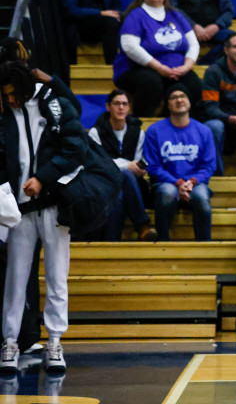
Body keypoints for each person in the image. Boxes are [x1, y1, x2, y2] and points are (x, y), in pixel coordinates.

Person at [0, 62, 83, 372]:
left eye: (13, 95)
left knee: (57, 276)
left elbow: (75, 148)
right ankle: (10, 341)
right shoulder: (5, 113)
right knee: (15, 278)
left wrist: (43, 178)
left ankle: (55, 341)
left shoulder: (53, 104)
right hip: (17, 210)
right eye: (5, 95)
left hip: (53, 205)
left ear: (23, 88)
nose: (9, 101)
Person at [113, 0, 203, 118]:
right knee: (151, 82)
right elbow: (130, 46)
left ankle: (174, 121)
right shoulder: (135, 16)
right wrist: (159, 68)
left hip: (176, 70)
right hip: (138, 69)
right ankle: (141, 122)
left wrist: (186, 67)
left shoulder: (176, 15)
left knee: (194, 85)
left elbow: (193, 44)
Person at [142, 85, 216, 240]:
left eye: (182, 96)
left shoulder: (204, 131)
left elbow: (209, 166)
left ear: (189, 101)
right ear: (167, 104)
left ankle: (205, 247)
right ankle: (162, 242)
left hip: (196, 184)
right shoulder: (154, 131)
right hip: (165, 183)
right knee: (168, 193)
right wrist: (178, 182)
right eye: (173, 97)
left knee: (201, 197)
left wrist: (192, 182)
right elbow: (153, 166)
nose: (179, 100)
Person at [88, 89, 157, 241]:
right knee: (119, 192)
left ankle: (112, 241)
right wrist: (126, 167)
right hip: (104, 182)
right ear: (108, 107)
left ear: (129, 108)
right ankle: (142, 225)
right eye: (116, 104)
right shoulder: (96, 132)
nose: (121, 108)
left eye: (124, 104)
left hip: (133, 185)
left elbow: (139, 161)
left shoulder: (137, 132)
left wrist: (139, 169)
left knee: (120, 193)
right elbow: (97, 164)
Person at [201, 32, 236, 175]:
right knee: (214, 127)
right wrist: (234, 119)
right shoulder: (213, 72)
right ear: (226, 50)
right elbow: (209, 108)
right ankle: (218, 176)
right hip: (221, 121)